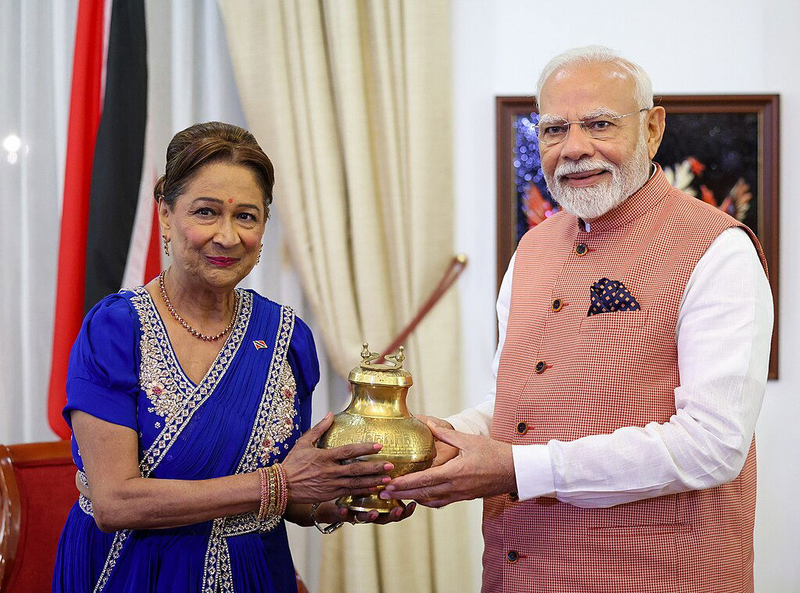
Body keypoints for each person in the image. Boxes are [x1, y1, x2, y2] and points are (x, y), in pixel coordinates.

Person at [384, 46, 773, 592]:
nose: (573, 148)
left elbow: (713, 446)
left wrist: (515, 469)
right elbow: (517, 406)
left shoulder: (717, 248)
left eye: (599, 124)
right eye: (554, 129)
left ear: (653, 129)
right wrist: (442, 438)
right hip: (517, 572)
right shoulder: (531, 250)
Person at [52, 122, 415, 593]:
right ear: (165, 215)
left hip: (254, 570)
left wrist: (342, 499)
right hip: (133, 568)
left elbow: (291, 495)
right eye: (206, 212)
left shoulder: (287, 337)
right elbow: (115, 503)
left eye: (246, 216)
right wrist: (278, 483)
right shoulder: (116, 329)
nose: (227, 237)